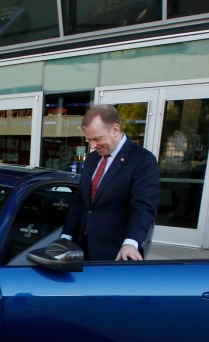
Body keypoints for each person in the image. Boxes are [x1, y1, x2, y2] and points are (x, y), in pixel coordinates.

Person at [61, 104, 159, 261]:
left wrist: (131, 242)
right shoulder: (93, 158)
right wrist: (66, 236)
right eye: (89, 140)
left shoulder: (142, 160)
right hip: (81, 246)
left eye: (97, 138)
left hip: (115, 251)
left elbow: (144, 207)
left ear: (115, 129)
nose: (92, 145)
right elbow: (80, 201)